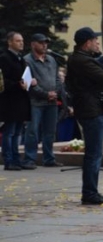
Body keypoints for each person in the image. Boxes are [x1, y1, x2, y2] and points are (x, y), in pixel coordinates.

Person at [65, 27, 103, 204]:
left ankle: (90, 191)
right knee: (94, 154)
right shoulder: (81, 61)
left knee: (94, 153)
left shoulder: (80, 59)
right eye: (95, 40)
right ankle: (90, 193)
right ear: (87, 42)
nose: (98, 42)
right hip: (91, 111)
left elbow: (95, 69)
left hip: (90, 109)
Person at [23, 33, 62, 168]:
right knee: (32, 131)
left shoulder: (51, 60)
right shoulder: (27, 60)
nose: (45, 45)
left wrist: (55, 92)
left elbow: (57, 78)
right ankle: (29, 159)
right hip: (35, 102)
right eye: (41, 43)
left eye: (46, 43)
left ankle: (49, 159)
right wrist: (46, 94)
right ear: (33, 44)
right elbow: (29, 83)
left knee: (50, 132)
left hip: (52, 102)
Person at [0, 32, 30, 170]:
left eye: (22, 40)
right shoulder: (5, 58)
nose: (21, 43)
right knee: (10, 132)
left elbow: (24, 76)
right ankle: (9, 160)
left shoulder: (20, 58)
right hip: (10, 101)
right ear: (10, 42)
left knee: (18, 132)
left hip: (20, 100)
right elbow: (3, 81)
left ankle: (16, 158)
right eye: (18, 41)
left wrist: (31, 82)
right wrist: (18, 84)